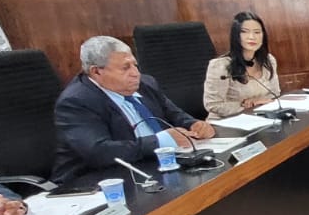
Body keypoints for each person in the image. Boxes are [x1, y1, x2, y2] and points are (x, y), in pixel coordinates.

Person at [51, 36, 214, 183]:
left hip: (153, 166)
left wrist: (194, 124)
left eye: (135, 65)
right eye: (125, 68)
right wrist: (159, 141)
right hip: (97, 181)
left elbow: (172, 113)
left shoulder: (146, 84)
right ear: (97, 71)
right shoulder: (76, 102)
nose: (135, 73)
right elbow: (99, 152)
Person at [203, 11, 281, 119]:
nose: (252, 37)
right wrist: (250, 105)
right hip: (226, 121)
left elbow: (275, 94)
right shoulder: (220, 66)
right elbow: (213, 105)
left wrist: (258, 102)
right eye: (244, 32)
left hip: (258, 118)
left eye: (257, 32)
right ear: (236, 36)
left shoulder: (268, 60)